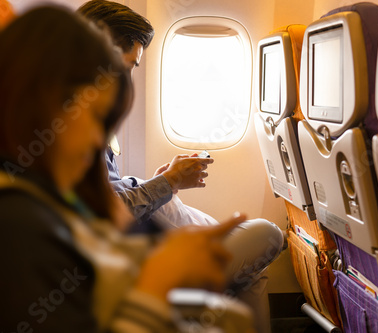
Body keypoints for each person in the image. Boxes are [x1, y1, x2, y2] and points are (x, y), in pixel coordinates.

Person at [0, 6, 254, 332]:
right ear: (45, 102)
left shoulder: (30, 185)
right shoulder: (6, 221)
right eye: (95, 115)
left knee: (230, 316)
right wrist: (157, 280)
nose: (100, 137)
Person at [78, 2, 286, 332]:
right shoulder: (72, 126)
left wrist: (164, 182)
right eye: (127, 66)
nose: (127, 81)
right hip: (127, 262)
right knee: (268, 235)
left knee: (251, 273)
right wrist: (168, 182)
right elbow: (103, 215)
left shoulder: (88, 119)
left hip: (133, 247)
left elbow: (105, 193)